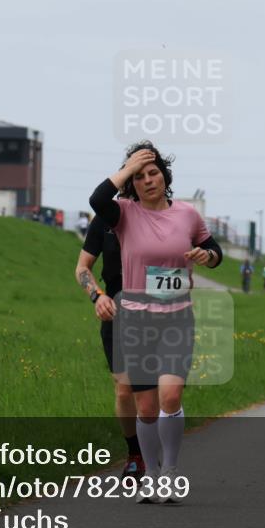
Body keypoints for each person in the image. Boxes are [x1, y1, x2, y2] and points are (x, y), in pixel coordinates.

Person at [89, 142, 222, 504]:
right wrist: (128, 167)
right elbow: (97, 199)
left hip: (177, 319)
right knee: (146, 409)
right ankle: (149, 471)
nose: (148, 180)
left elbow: (216, 253)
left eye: (154, 172)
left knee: (171, 396)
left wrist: (205, 255)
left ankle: (170, 472)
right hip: (136, 322)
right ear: (131, 183)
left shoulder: (187, 215)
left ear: (165, 175)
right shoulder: (123, 214)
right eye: (140, 176)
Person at [76, 215, 143, 479]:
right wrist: (97, 296)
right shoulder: (104, 222)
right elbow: (82, 267)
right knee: (125, 390)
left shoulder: (160, 216)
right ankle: (136, 453)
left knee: (158, 392)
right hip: (117, 313)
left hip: (158, 314)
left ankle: (161, 450)